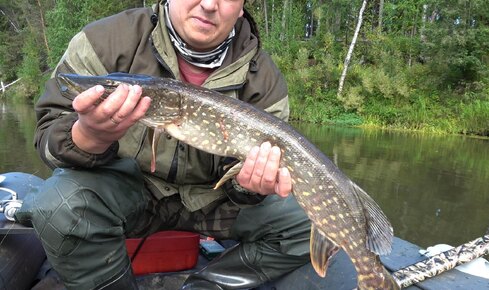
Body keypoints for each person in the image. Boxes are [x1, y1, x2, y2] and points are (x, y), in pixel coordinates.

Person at [15, 0, 312, 289]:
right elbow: (47, 135)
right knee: (58, 205)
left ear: (243, 6)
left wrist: (249, 186)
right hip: (131, 192)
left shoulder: (265, 80)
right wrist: (89, 136)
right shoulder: (103, 41)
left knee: (308, 226)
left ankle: (205, 285)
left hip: (216, 201)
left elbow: (247, 186)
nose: (209, 4)